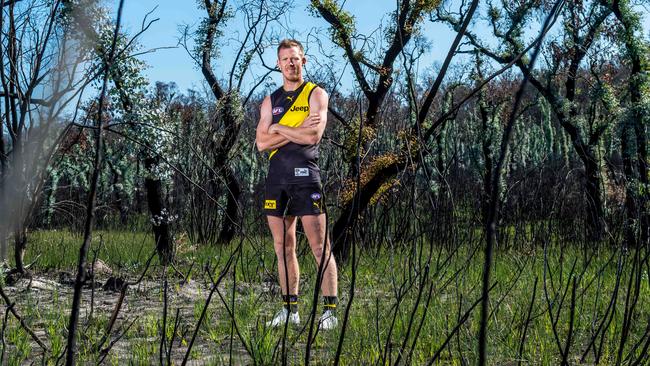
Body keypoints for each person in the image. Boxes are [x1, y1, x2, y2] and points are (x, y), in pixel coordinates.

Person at [255, 39, 338, 330]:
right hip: (276, 180)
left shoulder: (315, 94)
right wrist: (293, 129)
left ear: (304, 61)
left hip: (306, 175)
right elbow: (262, 143)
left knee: (319, 246)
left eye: (295, 58)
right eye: (285, 59)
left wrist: (279, 127)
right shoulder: (270, 100)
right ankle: (290, 310)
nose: (291, 63)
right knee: (283, 246)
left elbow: (313, 136)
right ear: (278, 64)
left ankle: (330, 312)